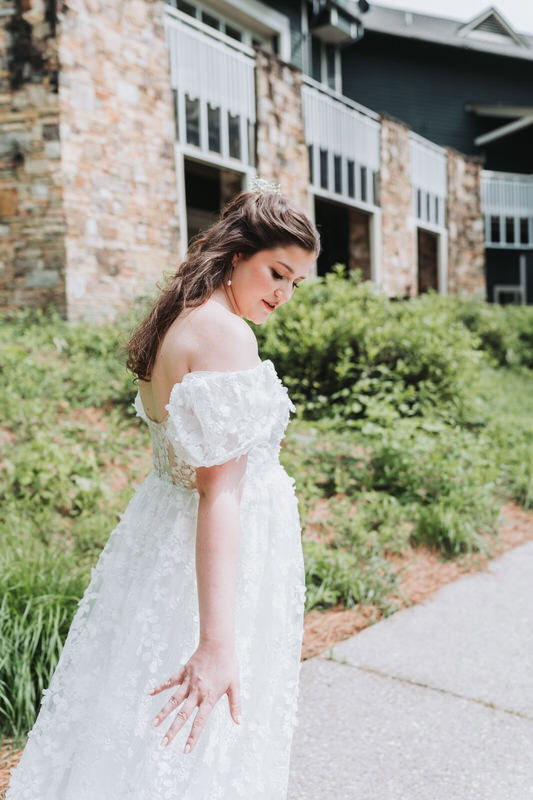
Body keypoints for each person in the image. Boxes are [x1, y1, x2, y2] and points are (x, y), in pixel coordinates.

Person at [5, 179, 320, 799]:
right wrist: (217, 642)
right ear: (237, 257)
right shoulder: (226, 335)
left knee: (135, 730)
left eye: (295, 284)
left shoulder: (182, 318)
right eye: (276, 273)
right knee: (194, 741)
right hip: (211, 564)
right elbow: (218, 494)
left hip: (164, 543)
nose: (283, 295)